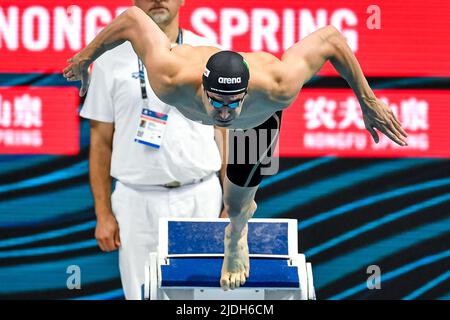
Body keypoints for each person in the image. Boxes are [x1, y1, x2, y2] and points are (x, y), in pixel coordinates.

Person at [64, 6, 408, 291]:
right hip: (147, 184)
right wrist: (84, 57)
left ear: (245, 94)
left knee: (238, 202)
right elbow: (132, 20)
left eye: (232, 104)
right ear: (202, 87)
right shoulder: (169, 76)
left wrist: (368, 101)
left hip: (257, 122)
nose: (225, 114)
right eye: (217, 104)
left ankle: (236, 237)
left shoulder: (278, 84)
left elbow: (331, 38)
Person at [78, 1, 226, 299]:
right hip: (136, 201)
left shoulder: (211, 54)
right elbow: (100, 141)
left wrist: (231, 206)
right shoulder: (109, 61)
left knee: (202, 297)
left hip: (201, 197)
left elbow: (228, 132)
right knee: (140, 294)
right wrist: (103, 212)